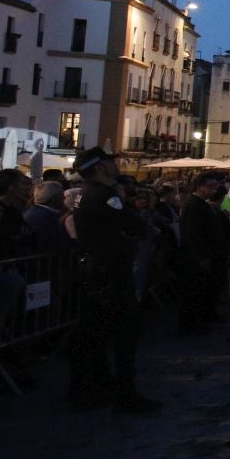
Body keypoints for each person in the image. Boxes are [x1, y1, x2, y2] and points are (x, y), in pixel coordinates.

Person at [69, 149, 160, 413]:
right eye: (110, 161)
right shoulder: (105, 195)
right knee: (125, 331)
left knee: (94, 332)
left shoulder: (86, 194)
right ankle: (124, 394)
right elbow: (132, 224)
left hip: (96, 270)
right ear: (99, 168)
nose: (115, 163)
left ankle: (93, 385)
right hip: (109, 271)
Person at [175, 171, 229, 336]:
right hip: (195, 258)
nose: (213, 190)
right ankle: (189, 325)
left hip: (204, 255)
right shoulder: (194, 205)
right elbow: (194, 235)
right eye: (211, 186)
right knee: (193, 293)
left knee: (201, 291)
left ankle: (201, 319)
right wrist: (202, 257)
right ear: (200, 187)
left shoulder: (201, 204)